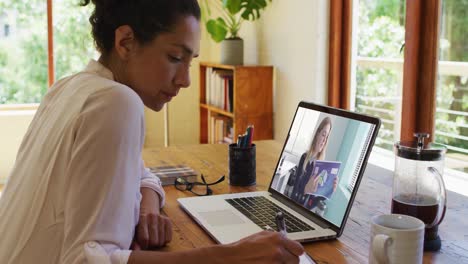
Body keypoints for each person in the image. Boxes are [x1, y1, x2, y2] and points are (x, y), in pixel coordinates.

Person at [0, 1, 304, 263]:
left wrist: (147, 206)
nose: (185, 80)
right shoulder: (117, 102)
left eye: (190, 61)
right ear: (126, 42)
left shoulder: (69, 87)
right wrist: (233, 256)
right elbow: (85, 260)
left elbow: (141, 171)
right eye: (174, 58)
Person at [289, 117, 337, 210]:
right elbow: (294, 192)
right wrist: (305, 190)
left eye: (327, 137)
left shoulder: (323, 168)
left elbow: (313, 203)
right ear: (317, 134)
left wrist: (330, 190)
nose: (324, 141)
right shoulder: (305, 158)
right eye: (323, 135)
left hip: (306, 214)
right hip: (294, 208)